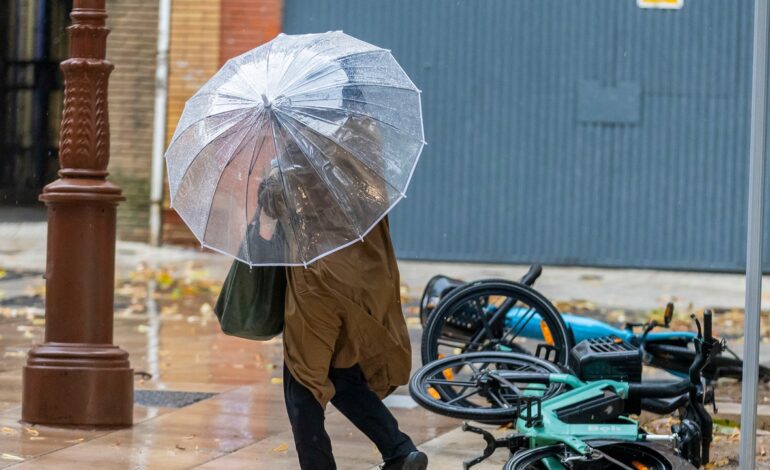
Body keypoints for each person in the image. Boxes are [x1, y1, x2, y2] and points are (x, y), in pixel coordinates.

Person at [256, 107, 428, 469]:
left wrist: (270, 184)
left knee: (302, 382)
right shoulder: (359, 143)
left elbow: (274, 214)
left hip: (317, 283)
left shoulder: (296, 159)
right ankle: (400, 451)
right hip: (362, 278)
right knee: (342, 374)